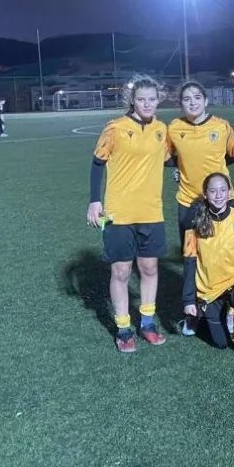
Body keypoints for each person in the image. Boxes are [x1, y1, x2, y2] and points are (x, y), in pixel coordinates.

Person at [86, 75, 170, 352]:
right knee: (121, 271)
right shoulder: (116, 128)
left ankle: (147, 323)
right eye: (141, 99)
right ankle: (123, 329)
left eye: (151, 99)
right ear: (132, 100)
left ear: (158, 100)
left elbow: (169, 160)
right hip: (119, 213)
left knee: (149, 268)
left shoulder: (162, 130)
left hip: (151, 212)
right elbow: (97, 163)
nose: (147, 104)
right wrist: (94, 201)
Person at [181, 173, 234, 359]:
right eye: (213, 191)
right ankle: (203, 313)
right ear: (205, 194)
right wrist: (188, 300)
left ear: (229, 192)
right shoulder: (195, 221)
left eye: (223, 190)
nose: (218, 195)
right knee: (221, 343)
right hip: (210, 286)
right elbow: (190, 261)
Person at [167, 81, 234, 247]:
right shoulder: (174, 128)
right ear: (181, 105)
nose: (193, 102)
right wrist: (181, 166)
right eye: (187, 99)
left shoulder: (221, 126)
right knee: (190, 251)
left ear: (206, 101)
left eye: (197, 97)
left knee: (222, 249)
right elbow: (165, 157)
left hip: (220, 198)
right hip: (188, 199)